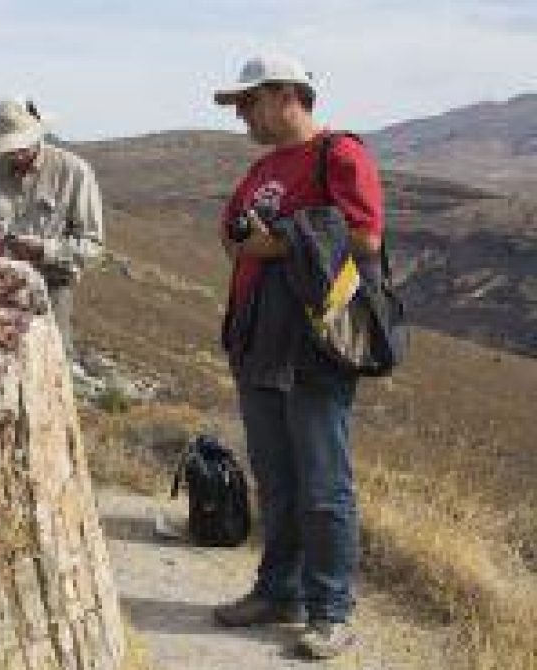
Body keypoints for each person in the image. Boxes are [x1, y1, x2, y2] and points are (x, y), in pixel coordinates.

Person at [210, 54, 384, 660]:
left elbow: (364, 236)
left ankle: (330, 610)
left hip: (315, 344)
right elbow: (232, 231)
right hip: (259, 340)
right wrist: (246, 237)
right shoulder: (262, 168)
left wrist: (277, 238)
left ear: (287, 95)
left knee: (323, 485)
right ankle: (277, 590)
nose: (243, 117)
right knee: (278, 479)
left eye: (248, 103)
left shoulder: (338, 154)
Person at [0, 97, 104, 358]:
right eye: (7, 147)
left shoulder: (74, 173)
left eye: (21, 144)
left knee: (52, 361)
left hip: (51, 290)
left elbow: (92, 246)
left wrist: (44, 250)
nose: (15, 153)